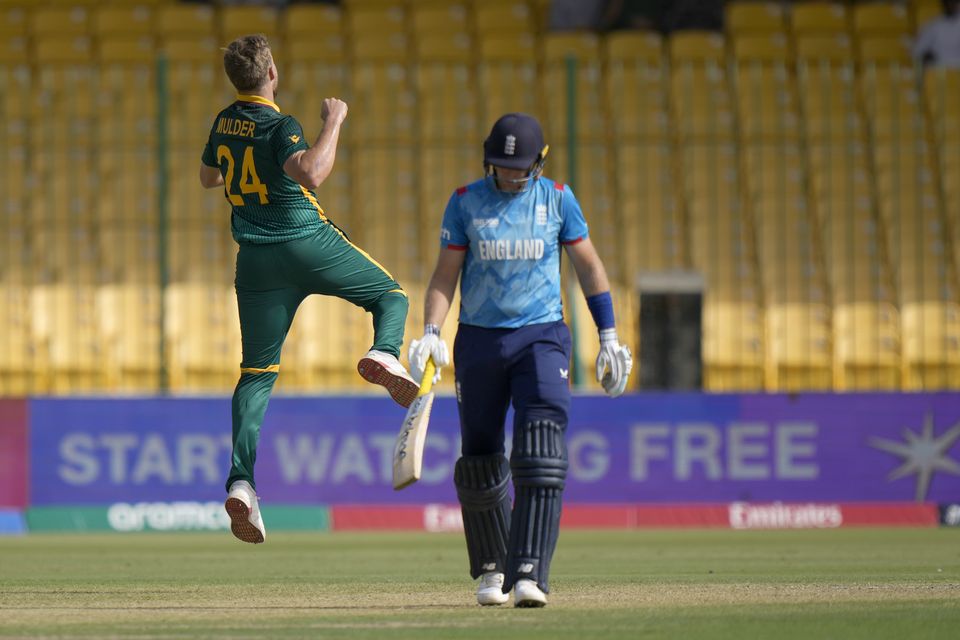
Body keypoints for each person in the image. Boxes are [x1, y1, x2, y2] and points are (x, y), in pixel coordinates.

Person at [199, 34, 418, 544]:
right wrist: (334, 120)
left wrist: (235, 156)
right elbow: (313, 173)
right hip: (304, 241)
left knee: (255, 374)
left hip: (254, 260)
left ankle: (241, 483)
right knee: (391, 296)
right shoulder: (281, 124)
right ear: (272, 72)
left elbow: (209, 178)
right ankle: (384, 354)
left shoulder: (222, 121)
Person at [408, 113, 633, 607]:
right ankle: (493, 568)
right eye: (501, 166)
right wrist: (429, 332)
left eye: (519, 167)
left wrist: (609, 336)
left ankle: (530, 572)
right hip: (480, 341)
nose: (510, 175)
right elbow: (445, 275)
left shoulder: (557, 198)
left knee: (540, 450)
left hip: (541, 337)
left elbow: (589, 266)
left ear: (539, 161)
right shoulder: (465, 202)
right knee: (481, 457)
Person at [913, 0, 960, 68]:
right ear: (943, 3)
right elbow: (918, 51)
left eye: (953, 2)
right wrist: (927, 55)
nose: (951, 5)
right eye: (948, 2)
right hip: (939, 68)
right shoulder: (933, 25)